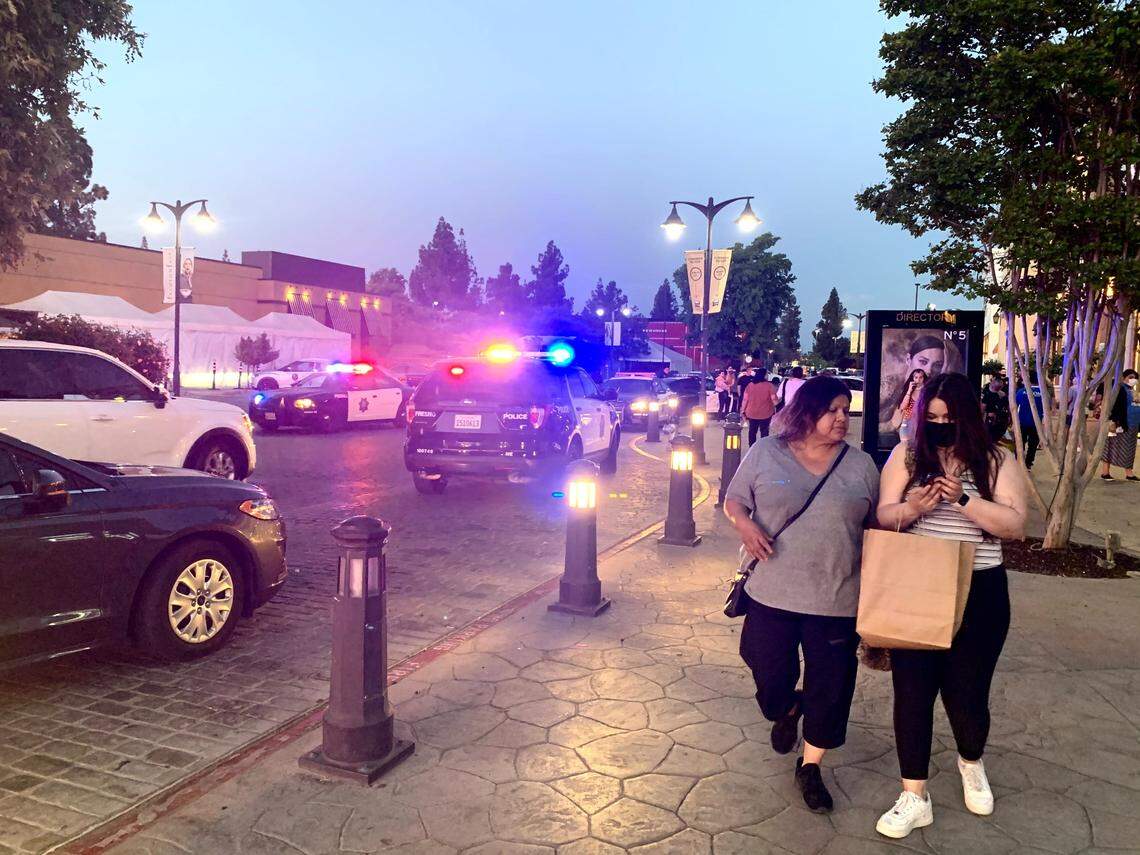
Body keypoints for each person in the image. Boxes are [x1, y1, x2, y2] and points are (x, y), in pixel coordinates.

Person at [874, 372, 1027, 839]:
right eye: (933, 418)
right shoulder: (907, 456)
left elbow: (1015, 525)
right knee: (912, 693)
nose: (942, 426)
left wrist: (962, 499)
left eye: (951, 418)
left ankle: (970, 760)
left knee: (968, 693)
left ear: (970, 418)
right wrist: (915, 507)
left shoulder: (997, 462)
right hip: (918, 585)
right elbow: (883, 515)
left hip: (979, 590)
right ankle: (914, 794)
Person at [725, 376, 880, 814]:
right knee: (767, 671)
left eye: (845, 409)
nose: (840, 418)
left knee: (830, 689)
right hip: (772, 593)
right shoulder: (765, 452)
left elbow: (878, 526)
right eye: (831, 409)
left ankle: (810, 766)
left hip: (836, 599)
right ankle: (788, 707)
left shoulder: (861, 465)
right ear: (805, 411)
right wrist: (745, 524)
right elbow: (734, 501)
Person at [1099, 369, 1139, 481]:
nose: (1133, 380)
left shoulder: (1132, 391)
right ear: (1123, 378)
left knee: (1129, 449)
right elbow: (1115, 406)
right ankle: (1105, 472)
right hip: (1120, 424)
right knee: (1110, 447)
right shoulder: (1119, 389)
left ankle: (1129, 473)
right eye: (1130, 377)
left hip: (1132, 424)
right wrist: (1114, 421)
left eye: (1135, 378)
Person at [889, 369, 929, 442]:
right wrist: (909, 390)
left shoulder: (927, 391)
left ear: (924, 378)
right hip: (907, 422)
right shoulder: (908, 390)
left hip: (921, 423)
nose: (918, 380)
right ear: (912, 378)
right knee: (905, 446)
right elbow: (902, 407)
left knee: (918, 447)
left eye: (921, 377)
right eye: (916, 377)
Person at [741, 369, 779, 444]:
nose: (767, 376)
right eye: (767, 374)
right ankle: (763, 447)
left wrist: (743, 410)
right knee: (764, 431)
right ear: (764, 375)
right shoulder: (769, 385)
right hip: (766, 413)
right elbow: (774, 399)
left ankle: (751, 447)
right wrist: (778, 407)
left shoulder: (750, 385)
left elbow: (745, 399)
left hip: (751, 412)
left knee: (752, 431)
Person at [1014, 378, 1044, 469]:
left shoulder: (1021, 391)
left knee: (1020, 441)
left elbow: (1015, 405)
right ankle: (1028, 462)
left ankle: (1019, 460)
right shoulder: (1043, 393)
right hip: (1036, 423)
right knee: (1033, 443)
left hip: (1022, 421)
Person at [980, 373, 1010, 444]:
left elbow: (982, 409)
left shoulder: (987, 395)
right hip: (1000, 420)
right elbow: (1008, 408)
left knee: (989, 437)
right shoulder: (1003, 395)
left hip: (991, 419)